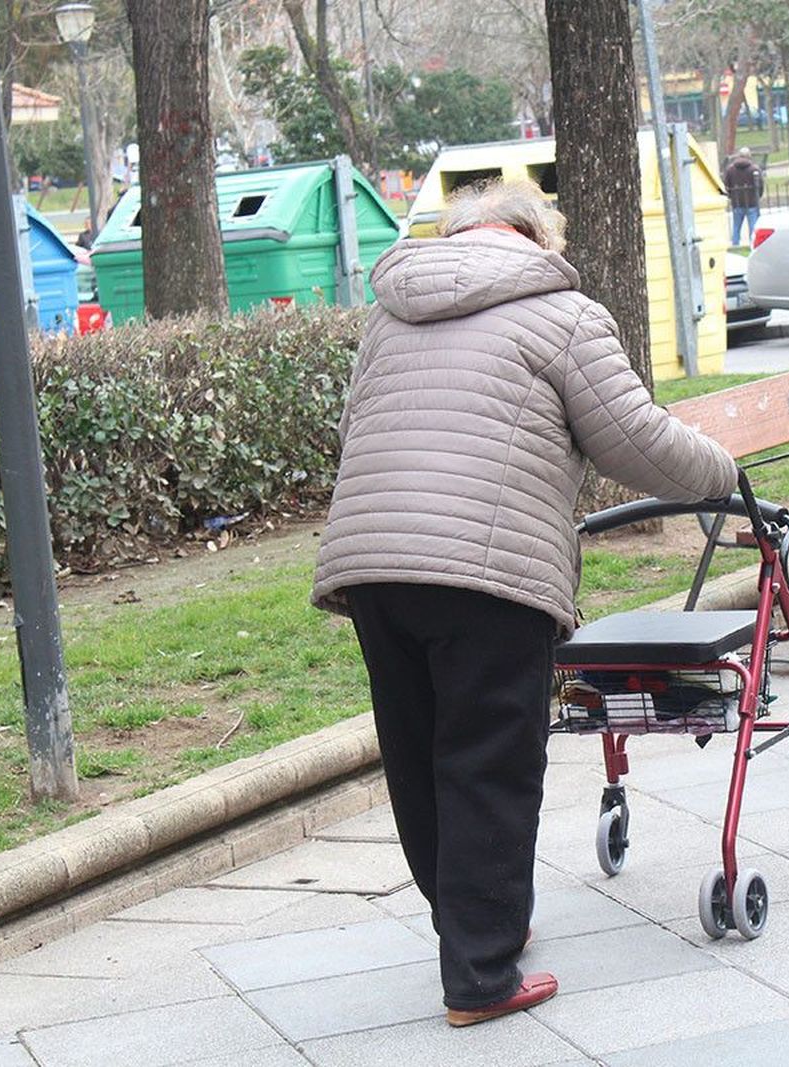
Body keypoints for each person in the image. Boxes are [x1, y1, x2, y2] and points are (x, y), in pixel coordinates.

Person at [312, 179, 737, 1027]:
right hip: (490, 572)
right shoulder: (564, 315)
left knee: (419, 754)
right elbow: (637, 440)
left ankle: (471, 926)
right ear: (537, 240)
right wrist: (723, 472)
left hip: (374, 562)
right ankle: (481, 974)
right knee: (489, 762)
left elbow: (357, 428)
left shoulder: (388, 315)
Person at [723, 146, 764, 247]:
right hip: (752, 202)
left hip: (737, 202)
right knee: (753, 227)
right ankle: (753, 245)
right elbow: (760, 186)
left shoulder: (730, 170)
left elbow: (726, 185)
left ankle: (735, 245)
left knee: (736, 227)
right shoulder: (754, 169)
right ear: (749, 156)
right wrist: (758, 196)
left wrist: (731, 196)